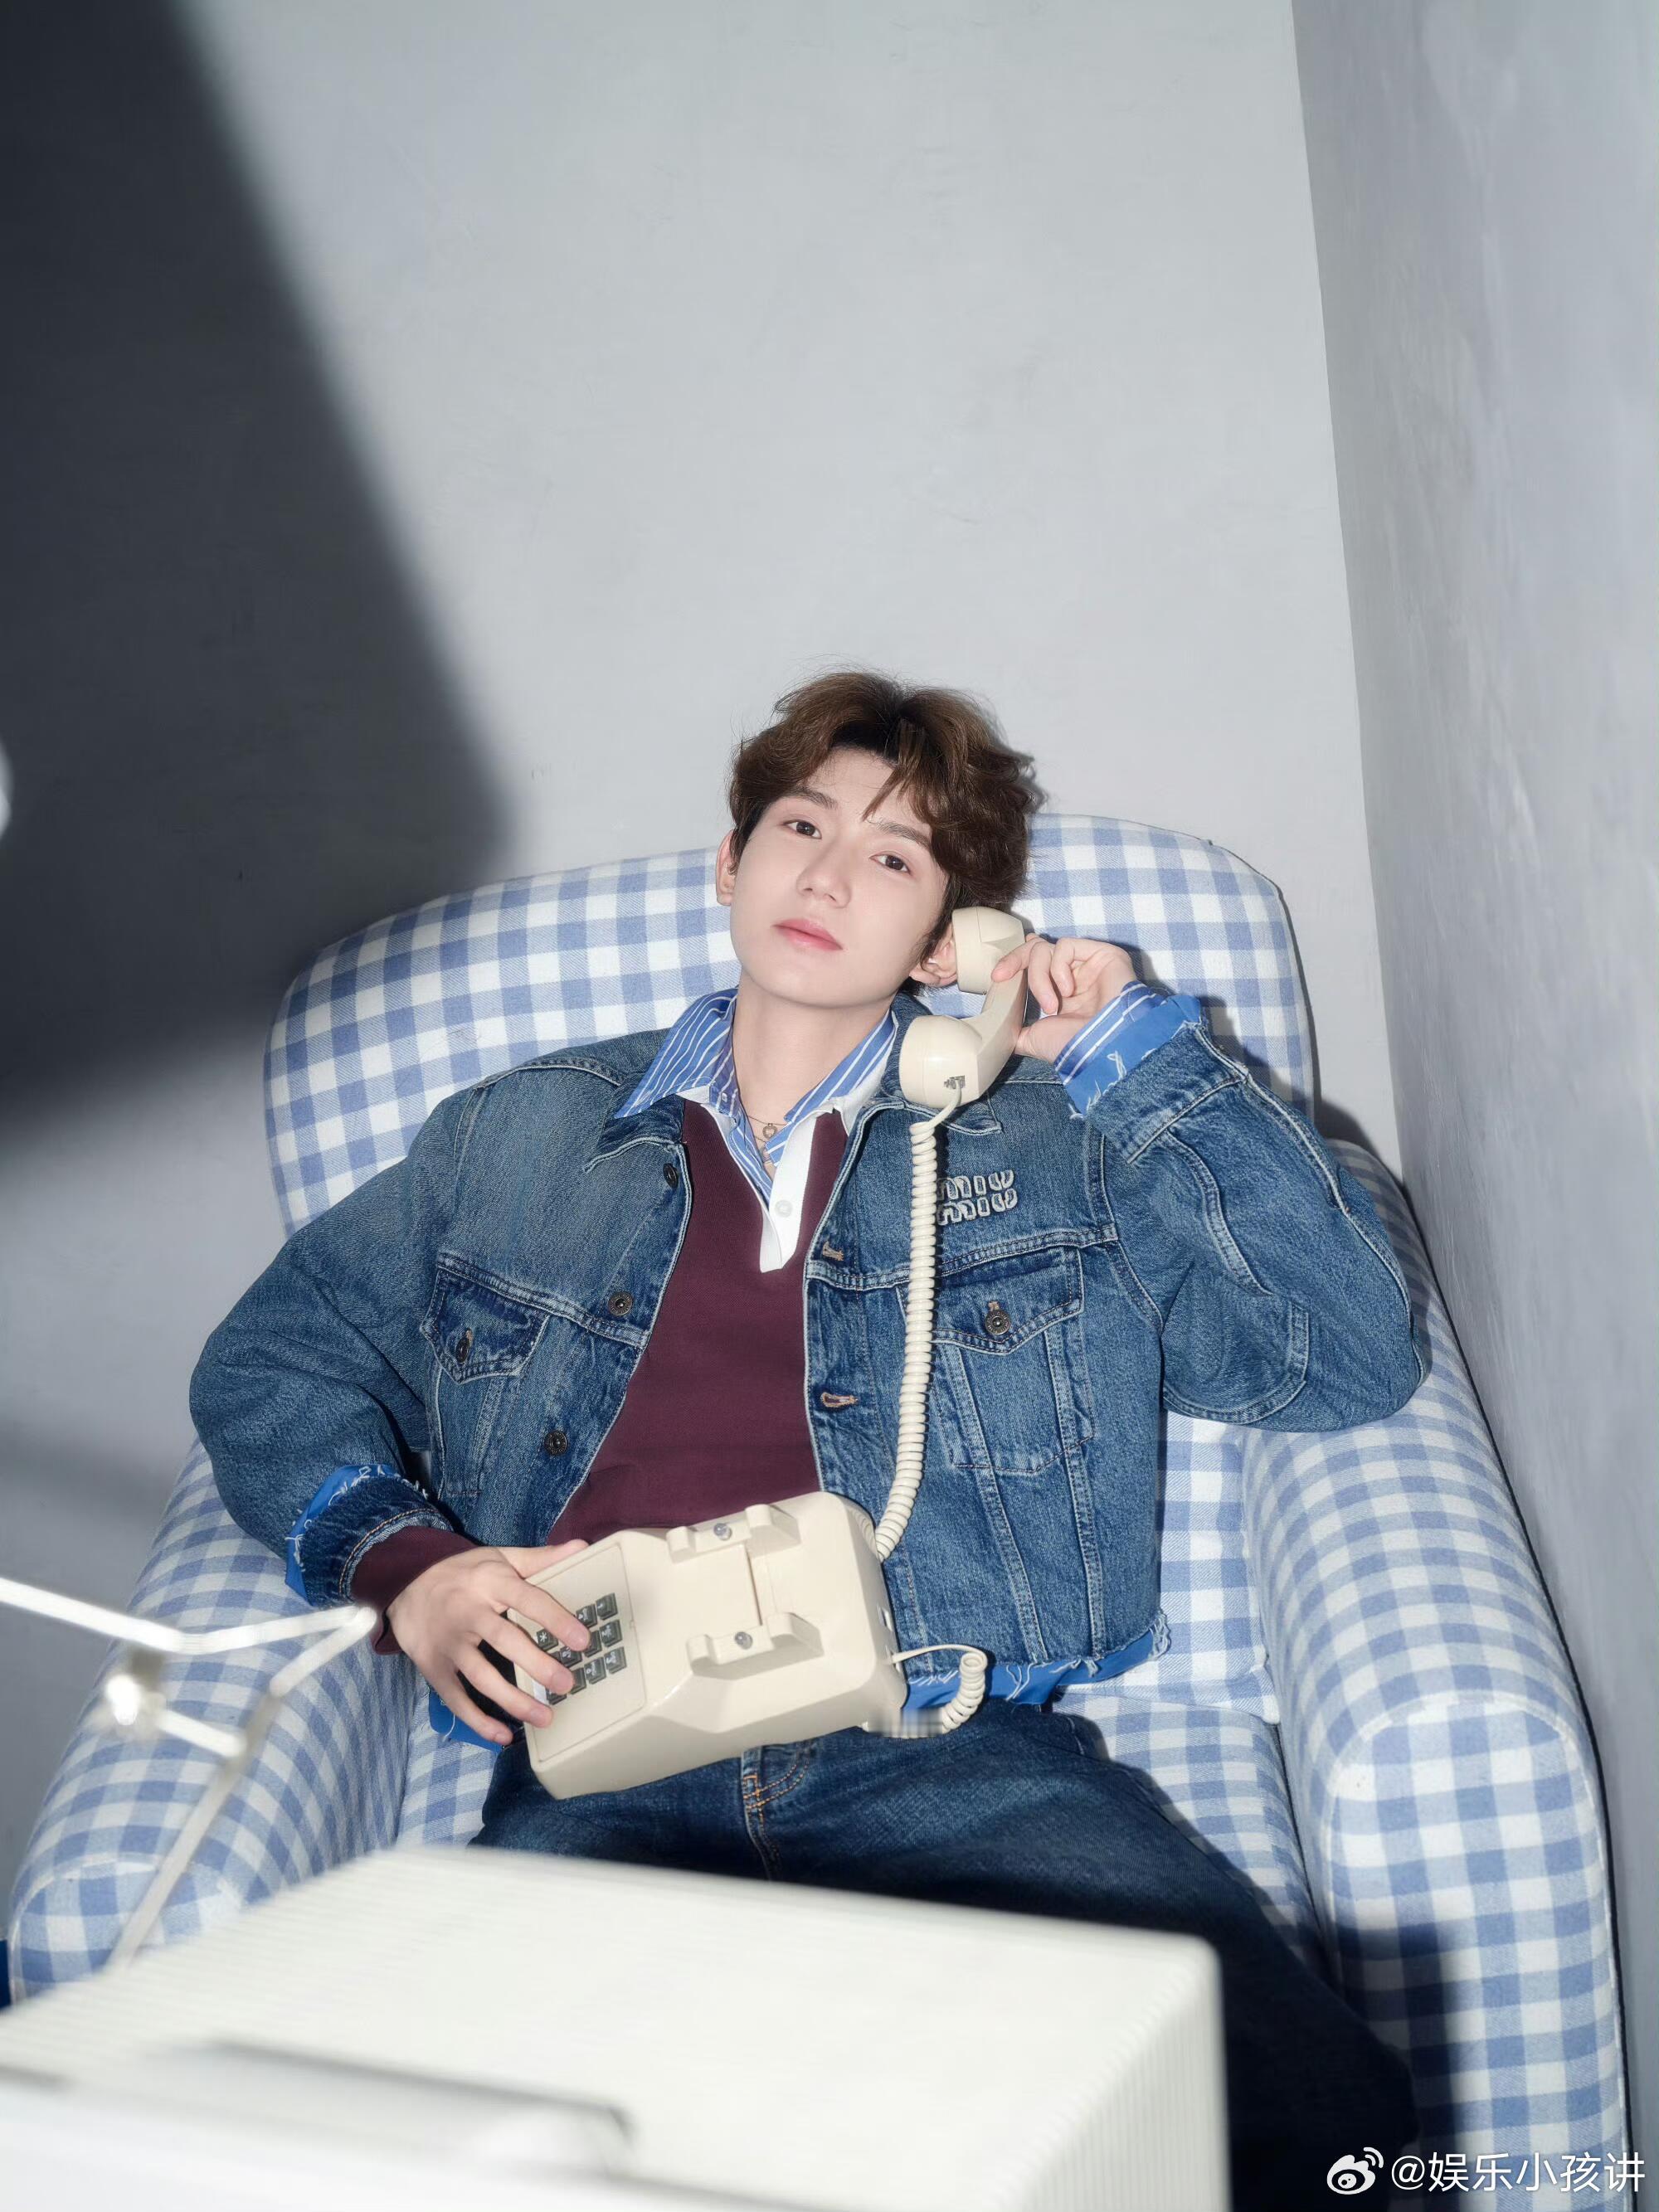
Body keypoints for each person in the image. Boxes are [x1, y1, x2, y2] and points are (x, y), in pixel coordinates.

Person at [191, 668, 1424, 2209]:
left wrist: (1133, 1056)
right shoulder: (513, 1136)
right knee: (464, 2157)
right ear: (731, 862)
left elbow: (1341, 1360)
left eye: (896, 857)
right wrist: (409, 1567)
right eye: (801, 826)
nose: (831, 876)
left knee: (1318, 2125)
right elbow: (275, 1360)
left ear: (951, 938)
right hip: (604, 1762)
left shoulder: (1051, 1143)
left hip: (946, 1745)